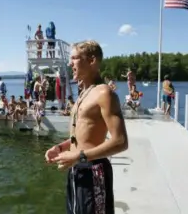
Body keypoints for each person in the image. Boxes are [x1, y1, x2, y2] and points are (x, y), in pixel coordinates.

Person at [44, 40, 128, 214]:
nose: (70, 63)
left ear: (92, 61)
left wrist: (79, 157)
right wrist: (60, 147)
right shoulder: (83, 93)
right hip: (76, 169)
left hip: (94, 171)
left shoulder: (104, 94)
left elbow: (120, 141)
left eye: (75, 58)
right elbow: (81, 136)